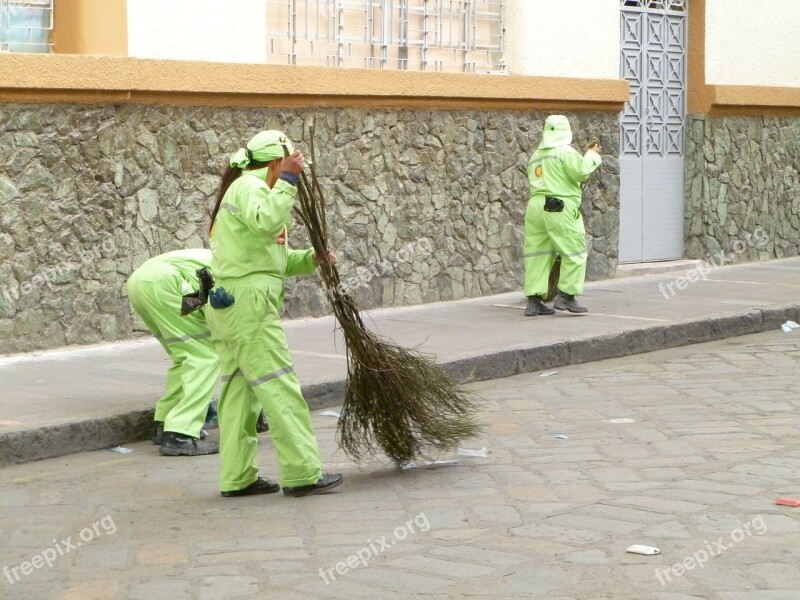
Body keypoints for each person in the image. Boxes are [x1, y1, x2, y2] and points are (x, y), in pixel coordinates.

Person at [206, 129, 343, 498]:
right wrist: (289, 180)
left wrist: (311, 259)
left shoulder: (246, 191)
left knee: (238, 393)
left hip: (230, 302)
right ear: (274, 163)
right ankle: (302, 473)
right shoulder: (252, 188)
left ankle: (237, 478)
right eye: (282, 167)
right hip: (248, 306)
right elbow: (267, 222)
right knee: (279, 384)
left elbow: (268, 259)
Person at [127, 249, 221, 456]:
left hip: (139, 280)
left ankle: (165, 420)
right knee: (205, 356)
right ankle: (181, 433)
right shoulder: (250, 273)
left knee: (184, 354)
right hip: (165, 280)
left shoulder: (232, 256)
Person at [523, 115, 602, 316]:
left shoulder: (536, 156)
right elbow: (582, 172)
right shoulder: (564, 152)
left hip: (535, 207)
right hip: (558, 206)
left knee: (537, 253)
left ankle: (534, 301)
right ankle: (566, 295)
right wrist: (591, 154)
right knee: (574, 251)